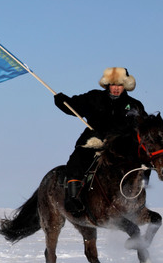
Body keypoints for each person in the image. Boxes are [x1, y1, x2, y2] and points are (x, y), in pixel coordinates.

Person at [54, 67, 147, 216]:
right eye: (113, 85)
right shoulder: (94, 97)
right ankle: (72, 198)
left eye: (119, 85)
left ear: (126, 86)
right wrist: (61, 100)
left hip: (121, 147)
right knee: (77, 160)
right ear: (107, 85)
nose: (116, 88)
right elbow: (73, 106)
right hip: (93, 142)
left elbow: (143, 127)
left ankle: (136, 198)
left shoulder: (135, 105)